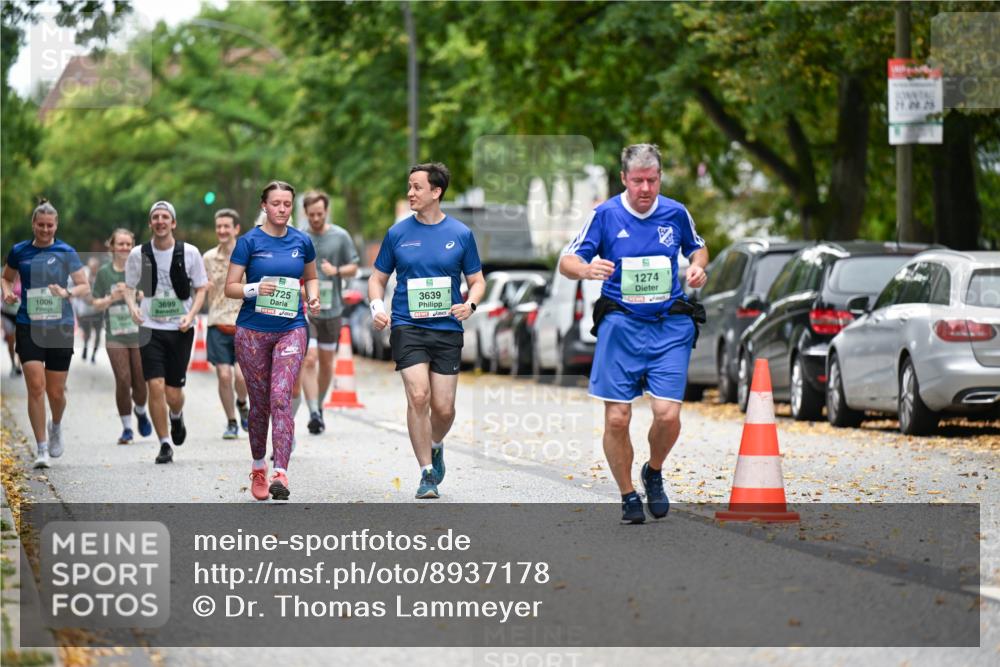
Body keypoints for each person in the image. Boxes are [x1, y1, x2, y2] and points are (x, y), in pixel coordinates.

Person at [559, 144, 709, 524]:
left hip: (668, 326)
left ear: (660, 178)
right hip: (621, 324)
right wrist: (586, 270)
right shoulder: (605, 215)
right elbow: (567, 261)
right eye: (638, 180)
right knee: (617, 419)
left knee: (668, 414)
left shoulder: (675, 213)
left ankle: (653, 472)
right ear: (624, 178)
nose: (646, 188)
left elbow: (699, 248)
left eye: (653, 180)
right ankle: (627, 494)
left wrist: (696, 267)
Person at [370, 163, 486, 499]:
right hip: (408, 325)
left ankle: (436, 444)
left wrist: (471, 305)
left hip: (447, 328)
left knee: (445, 409)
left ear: (436, 192)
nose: (410, 193)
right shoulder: (397, 234)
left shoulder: (461, 235)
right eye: (409, 186)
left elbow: (477, 281)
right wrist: (378, 307)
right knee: (418, 396)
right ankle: (425, 473)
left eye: (417, 187)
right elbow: (377, 279)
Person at [225, 181, 320, 501]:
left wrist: (314, 297)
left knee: (281, 396)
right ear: (264, 206)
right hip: (252, 331)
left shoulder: (302, 241)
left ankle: (281, 471)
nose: (282, 209)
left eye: (287, 204)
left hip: (291, 327)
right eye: (276, 204)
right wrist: (254, 289)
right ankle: (258, 467)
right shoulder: (248, 242)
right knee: (260, 404)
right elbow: (230, 287)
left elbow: (311, 277)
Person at [1, 199, 90, 468]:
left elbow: (83, 285)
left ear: (56, 225)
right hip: (28, 324)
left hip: (59, 327)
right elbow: (6, 277)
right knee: (36, 387)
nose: (45, 230)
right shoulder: (20, 251)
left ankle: (56, 425)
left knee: (56, 392)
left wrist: (67, 292)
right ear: (33, 224)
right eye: (40, 225)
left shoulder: (66, 251)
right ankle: (40, 448)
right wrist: (6, 291)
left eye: (50, 225)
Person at [124, 200, 208, 465]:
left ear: (173, 223)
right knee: (155, 386)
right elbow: (128, 286)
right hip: (149, 328)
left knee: (173, 392)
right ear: (150, 223)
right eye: (155, 217)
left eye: (165, 217)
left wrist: (191, 315)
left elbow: (202, 288)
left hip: (180, 328)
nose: (160, 221)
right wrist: (132, 308)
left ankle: (176, 415)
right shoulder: (138, 254)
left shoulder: (190, 253)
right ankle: (164, 444)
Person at [299, 191, 360, 435]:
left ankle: (319, 405)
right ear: (305, 213)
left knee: (326, 363)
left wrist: (335, 271)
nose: (315, 218)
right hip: (307, 310)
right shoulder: (300, 237)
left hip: (333, 309)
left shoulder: (340, 236)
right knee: (309, 358)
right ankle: (313, 410)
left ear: (326, 212)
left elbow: (354, 268)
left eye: (320, 214)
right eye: (311, 214)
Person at [91, 229, 152, 445]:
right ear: (113, 246)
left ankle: (141, 411)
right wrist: (111, 298)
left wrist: (138, 294)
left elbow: (153, 295)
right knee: (123, 380)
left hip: (138, 331)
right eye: (121, 244)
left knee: (140, 380)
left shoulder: (141, 269)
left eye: (128, 244)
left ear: (133, 246)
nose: (124, 248)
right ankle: (127, 428)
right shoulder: (104, 273)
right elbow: (94, 303)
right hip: (115, 333)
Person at [203, 208, 250, 439]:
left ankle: (243, 404)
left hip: (244, 323)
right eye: (218, 226)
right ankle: (231, 421)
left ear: (236, 229)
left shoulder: (248, 255)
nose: (222, 230)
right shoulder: (208, 258)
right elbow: (199, 290)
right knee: (223, 375)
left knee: (241, 376)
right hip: (217, 322)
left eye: (226, 226)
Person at [73, 256, 103, 364]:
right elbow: (76, 290)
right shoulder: (83, 274)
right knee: (87, 333)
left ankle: (94, 355)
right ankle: (85, 347)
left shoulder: (101, 276)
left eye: (95, 267)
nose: (93, 269)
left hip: (99, 310)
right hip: (86, 311)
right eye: (92, 267)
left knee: (98, 334)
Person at [2, 274, 22, 377]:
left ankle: (19, 366)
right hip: (7, 314)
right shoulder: (4, 278)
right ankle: (13, 365)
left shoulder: (23, 276)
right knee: (11, 341)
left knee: (20, 340)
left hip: (20, 314)